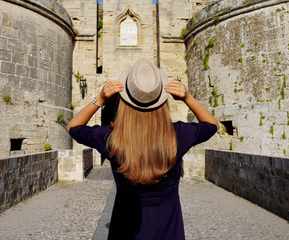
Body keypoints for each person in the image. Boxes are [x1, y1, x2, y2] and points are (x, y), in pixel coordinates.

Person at [66, 58, 219, 240]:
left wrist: (100, 99)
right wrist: (187, 97)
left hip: (125, 231)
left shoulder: (111, 138)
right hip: (169, 232)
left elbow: (73, 128)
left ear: (125, 100)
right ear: (162, 99)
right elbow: (212, 124)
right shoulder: (177, 135)